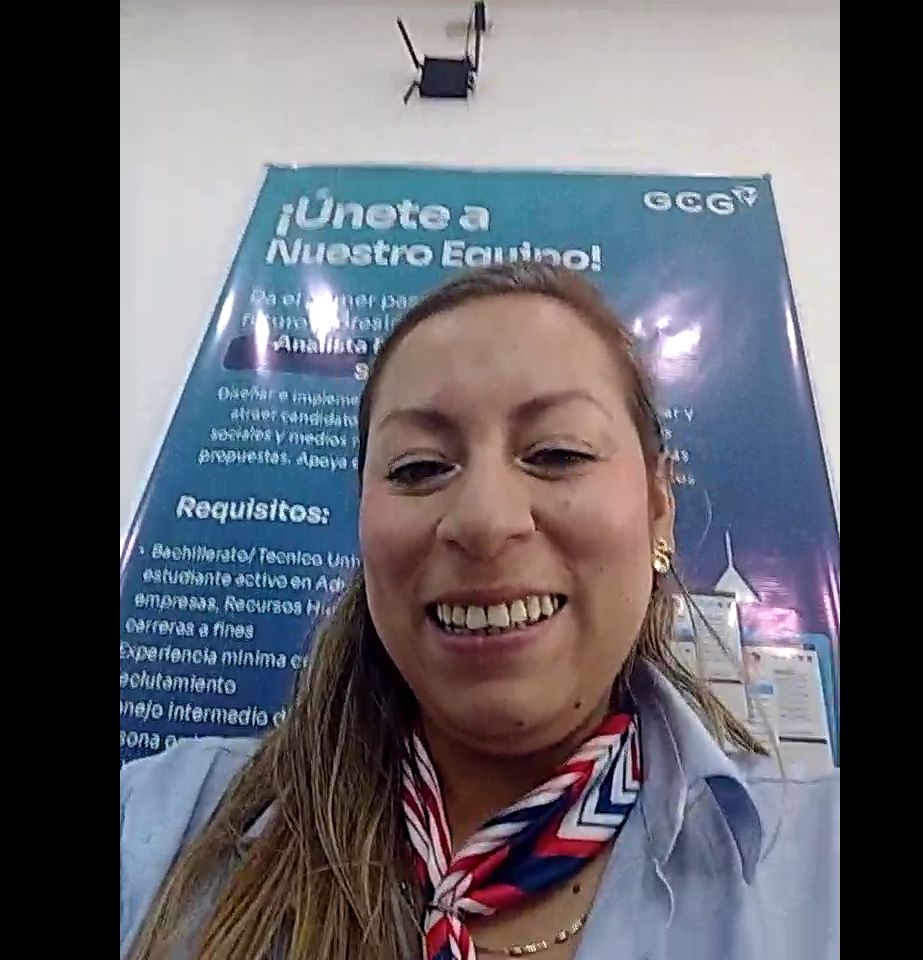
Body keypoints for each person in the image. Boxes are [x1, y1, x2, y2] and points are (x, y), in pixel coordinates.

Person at [120, 262, 839, 960]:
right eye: (419, 467)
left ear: (658, 507)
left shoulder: (817, 863)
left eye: (557, 454)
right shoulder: (158, 826)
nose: (485, 520)